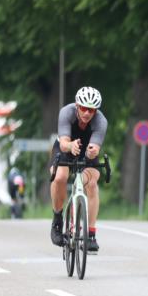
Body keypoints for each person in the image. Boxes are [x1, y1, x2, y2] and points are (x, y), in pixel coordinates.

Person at [49, 86, 108, 252]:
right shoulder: (66, 113)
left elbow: (94, 148)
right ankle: (57, 220)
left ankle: (91, 234)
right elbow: (63, 143)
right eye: (83, 108)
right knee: (59, 177)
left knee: (91, 183)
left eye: (91, 110)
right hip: (65, 147)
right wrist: (70, 146)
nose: (87, 113)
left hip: (86, 151)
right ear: (77, 105)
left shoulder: (101, 121)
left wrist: (92, 153)